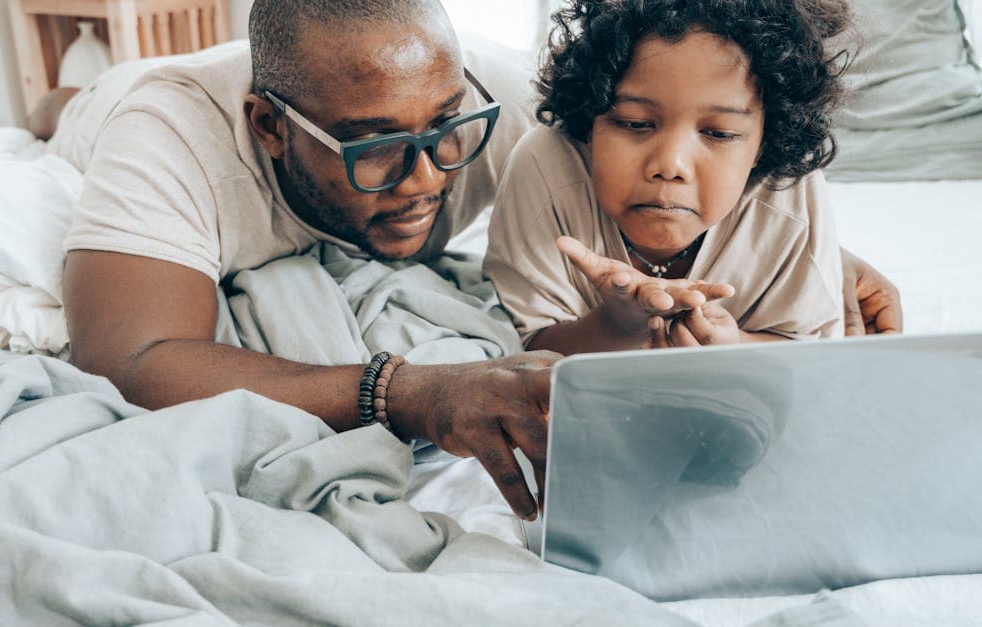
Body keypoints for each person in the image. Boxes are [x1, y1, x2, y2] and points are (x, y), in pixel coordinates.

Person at [59, 0, 901, 520]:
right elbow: (129, 358)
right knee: (70, 110)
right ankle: (56, 99)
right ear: (272, 128)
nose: (428, 178)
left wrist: (820, 251)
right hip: (109, 112)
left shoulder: (504, 108)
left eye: (445, 130)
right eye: (376, 147)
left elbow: (669, 160)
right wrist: (405, 390)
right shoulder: (169, 145)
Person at [485, 0, 862, 353]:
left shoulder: (789, 191)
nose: (670, 165)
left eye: (719, 134)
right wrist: (618, 326)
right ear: (589, 123)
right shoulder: (545, 165)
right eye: (635, 123)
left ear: (765, 144)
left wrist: (733, 347)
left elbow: (809, 350)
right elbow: (528, 347)